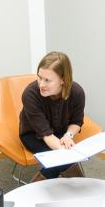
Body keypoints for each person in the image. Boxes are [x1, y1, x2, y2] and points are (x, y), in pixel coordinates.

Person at [19, 51, 85, 182]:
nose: (41, 84)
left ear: (63, 80)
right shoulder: (30, 94)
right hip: (33, 135)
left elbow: (77, 122)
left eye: (47, 80)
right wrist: (68, 155)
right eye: (39, 77)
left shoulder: (77, 92)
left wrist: (68, 135)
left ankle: (33, 191)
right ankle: (83, 187)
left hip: (61, 133)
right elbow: (46, 134)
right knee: (60, 160)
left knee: (60, 159)